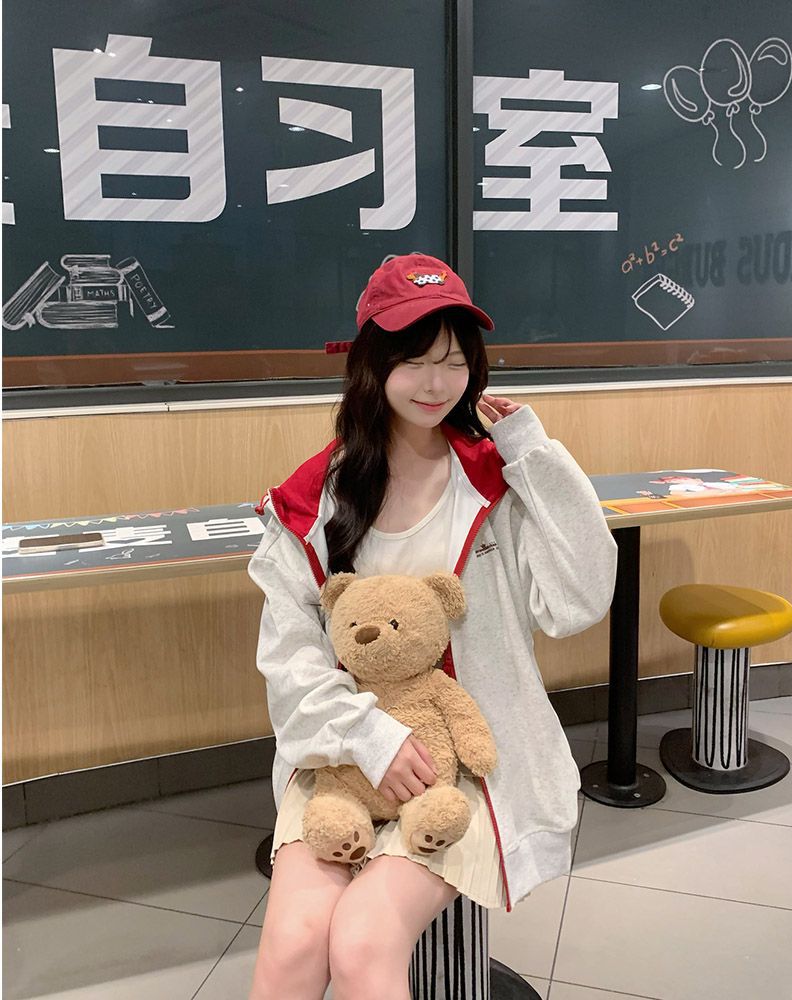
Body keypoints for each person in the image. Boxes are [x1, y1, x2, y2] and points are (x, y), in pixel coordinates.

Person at [246, 252, 618, 1000]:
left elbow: (578, 600)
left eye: (453, 361)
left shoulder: (497, 479)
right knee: (292, 943)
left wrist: (535, 455)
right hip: (343, 757)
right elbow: (289, 662)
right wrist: (370, 740)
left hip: (468, 760)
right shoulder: (312, 500)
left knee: (362, 942)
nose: (436, 383)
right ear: (372, 365)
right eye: (414, 360)